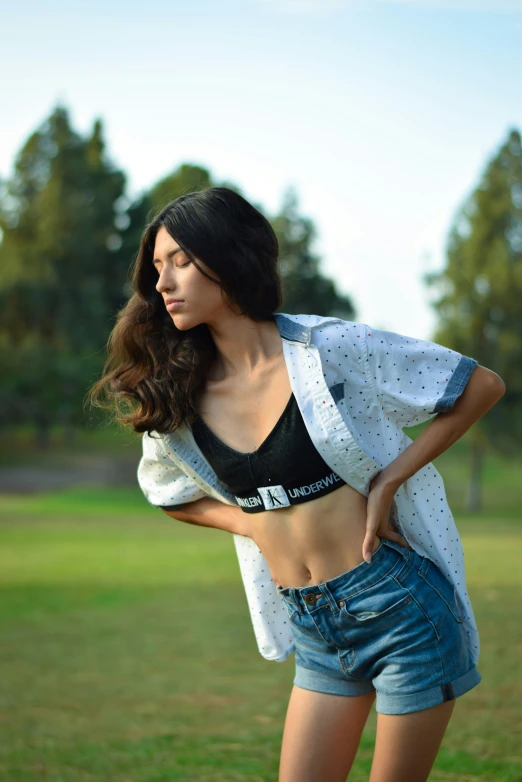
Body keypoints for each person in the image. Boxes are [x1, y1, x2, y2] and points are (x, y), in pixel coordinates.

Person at [88, 186, 505, 782]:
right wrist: (246, 520)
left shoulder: (327, 348)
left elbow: (479, 386)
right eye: (156, 267)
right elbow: (167, 494)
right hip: (314, 625)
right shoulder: (176, 390)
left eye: (180, 260)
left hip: (400, 608)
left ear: (229, 258)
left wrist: (390, 479)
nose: (162, 283)